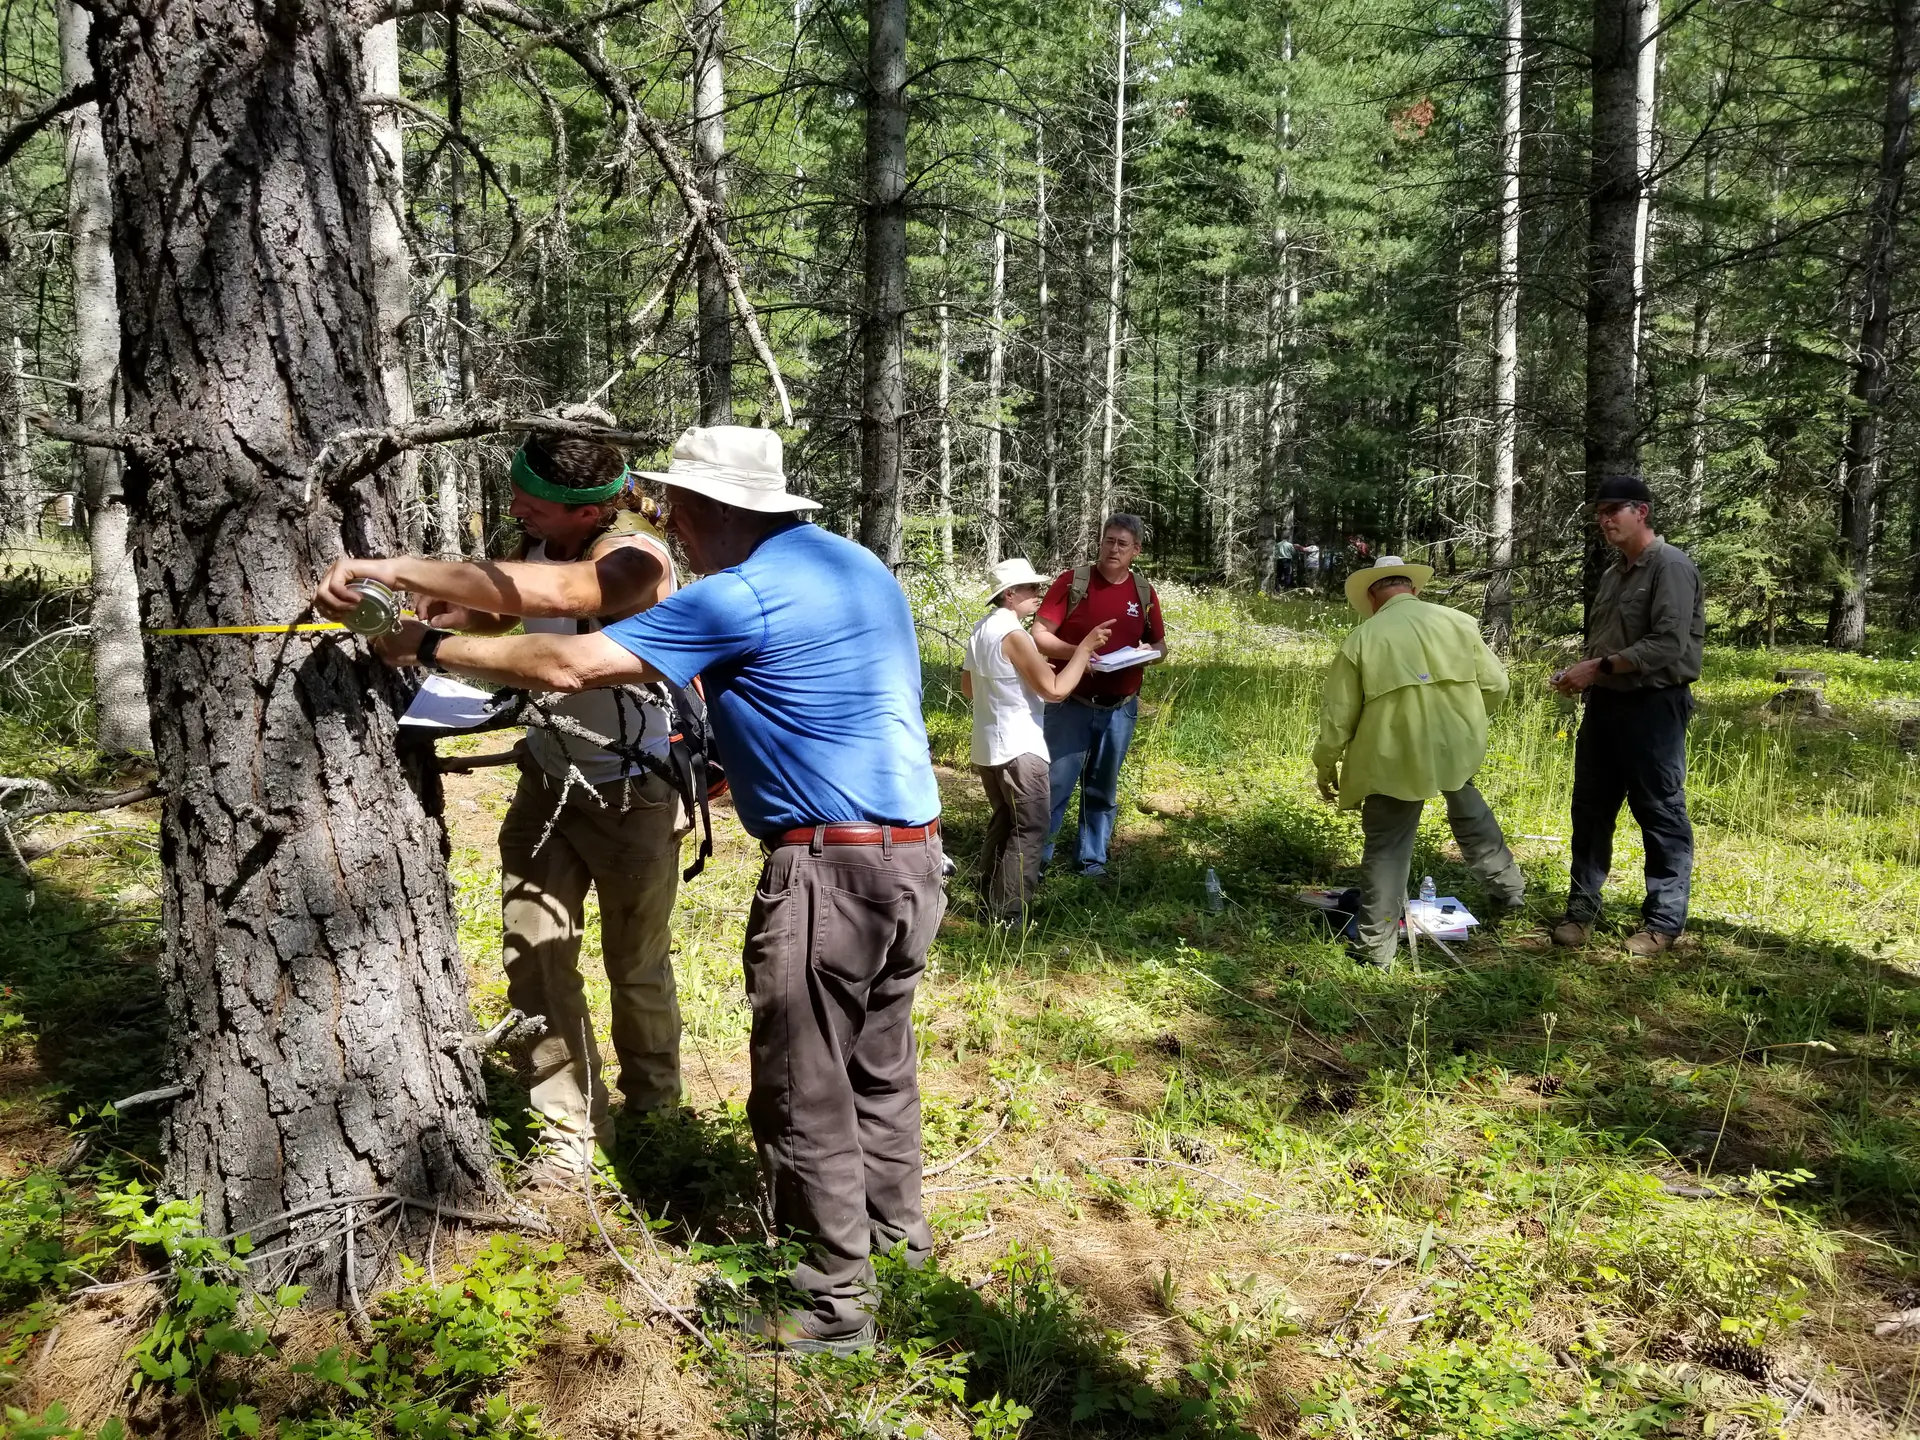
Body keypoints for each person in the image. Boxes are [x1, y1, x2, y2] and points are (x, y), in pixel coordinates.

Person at [321, 425, 941, 1357]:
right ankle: (896, 1252)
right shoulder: (850, 564)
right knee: (874, 1070)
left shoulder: (744, 592)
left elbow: (570, 659)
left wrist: (420, 645)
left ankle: (827, 1307)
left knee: (799, 1087)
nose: (668, 520)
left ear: (706, 510)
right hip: (911, 859)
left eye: (677, 505)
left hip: (830, 870)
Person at [316, 432, 682, 1178]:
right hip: (549, 778)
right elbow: (506, 609)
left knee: (634, 962)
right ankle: (568, 1134)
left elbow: (572, 599)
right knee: (534, 957)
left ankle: (657, 1108)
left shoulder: (637, 554)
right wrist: (438, 615)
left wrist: (399, 582)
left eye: (532, 498)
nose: (516, 505)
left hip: (634, 789)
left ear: (588, 509)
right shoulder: (545, 541)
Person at [1312, 554, 1524, 965]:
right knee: (1472, 816)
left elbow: (1337, 717)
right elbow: (1497, 685)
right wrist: (1464, 721)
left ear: (1373, 596)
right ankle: (1510, 893)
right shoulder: (1458, 622)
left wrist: (1326, 764)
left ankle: (1376, 950)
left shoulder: (1362, 639)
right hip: (1454, 747)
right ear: (1413, 587)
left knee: (1388, 848)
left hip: (1391, 757)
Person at [1548, 474, 1705, 957]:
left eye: (1614, 509)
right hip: (1606, 706)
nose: (1605, 519)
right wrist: (1583, 672)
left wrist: (1598, 667)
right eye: (1599, 512)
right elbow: (1606, 641)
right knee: (1591, 809)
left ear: (1642, 512)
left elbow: (1667, 644)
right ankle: (1581, 911)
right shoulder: (1616, 573)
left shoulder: (1670, 566)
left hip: (1654, 707)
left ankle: (1662, 923)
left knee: (1660, 811)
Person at [961, 558, 1112, 923]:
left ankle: (989, 902)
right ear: (1009, 595)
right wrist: (1084, 649)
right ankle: (1009, 914)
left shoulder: (983, 628)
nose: (1038, 594)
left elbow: (968, 687)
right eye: (1031, 588)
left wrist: (1013, 684)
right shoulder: (1013, 634)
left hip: (988, 745)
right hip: (1019, 747)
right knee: (1030, 829)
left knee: (1005, 822)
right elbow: (1056, 690)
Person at [1031, 514, 1168, 878]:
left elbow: (1160, 644)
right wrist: (1078, 654)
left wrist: (1147, 653)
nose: (1114, 549)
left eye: (1123, 543)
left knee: (1103, 788)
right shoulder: (1073, 582)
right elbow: (1039, 635)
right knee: (1054, 785)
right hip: (1070, 703)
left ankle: (1092, 862)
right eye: (1109, 540)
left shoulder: (1143, 592)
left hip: (1120, 708)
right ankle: (1036, 862)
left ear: (1136, 550)